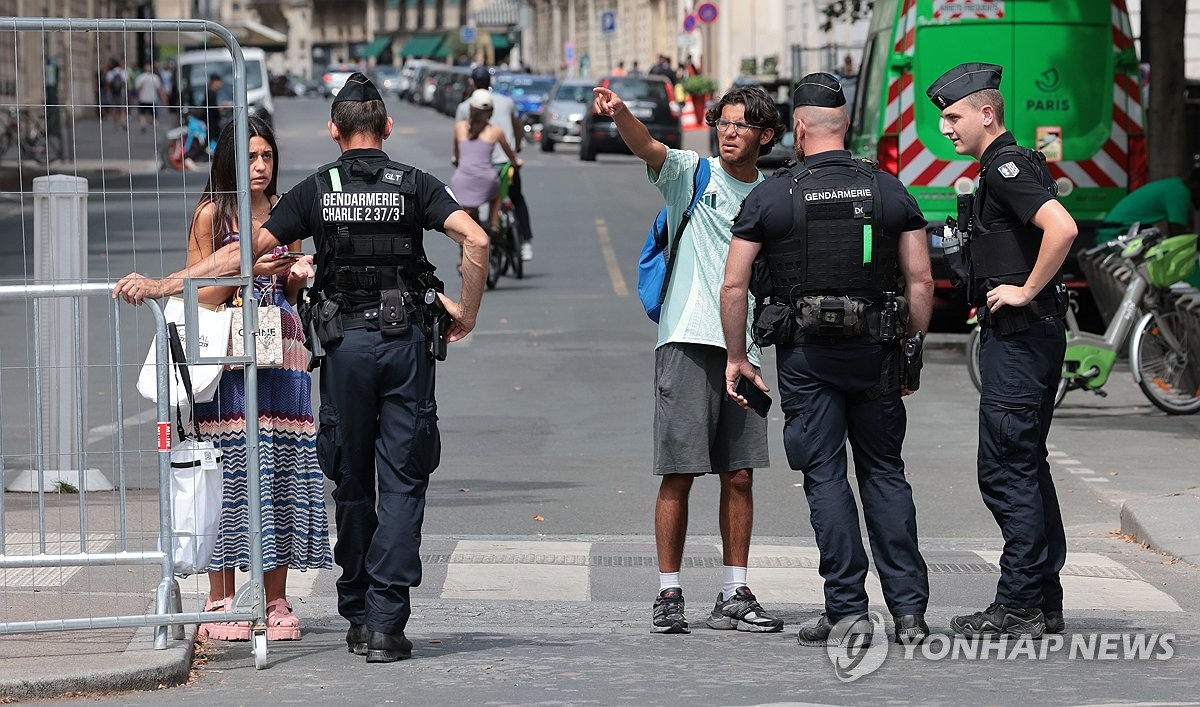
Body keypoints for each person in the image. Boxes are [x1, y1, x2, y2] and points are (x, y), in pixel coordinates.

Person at [113, 73, 489, 663]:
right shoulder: (416, 184)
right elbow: (477, 240)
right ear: (388, 128)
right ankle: (387, 622)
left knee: (353, 480)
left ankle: (359, 614)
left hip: (344, 351)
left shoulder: (320, 188)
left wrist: (164, 285)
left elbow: (242, 253)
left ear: (333, 130)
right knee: (403, 480)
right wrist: (464, 311)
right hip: (407, 347)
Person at [721, 72, 934, 647]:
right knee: (885, 474)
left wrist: (737, 357)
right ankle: (910, 614)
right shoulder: (888, 190)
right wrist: (908, 351)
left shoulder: (772, 195)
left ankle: (848, 611)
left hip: (807, 359)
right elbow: (920, 280)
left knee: (825, 478)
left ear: (796, 126)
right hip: (876, 354)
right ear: (844, 125)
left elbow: (735, 286)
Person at [592, 82, 785, 635]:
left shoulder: (771, 196)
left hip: (742, 349)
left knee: (740, 475)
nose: (728, 132)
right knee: (679, 472)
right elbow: (647, 147)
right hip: (685, 339)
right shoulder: (690, 176)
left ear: (765, 136)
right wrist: (622, 112)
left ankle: (734, 590)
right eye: (722, 122)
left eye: (741, 124)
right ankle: (669, 591)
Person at [927, 62, 1077, 638]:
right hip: (1026, 338)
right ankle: (1042, 601)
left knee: (1006, 468)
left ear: (986, 113)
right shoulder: (1002, 167)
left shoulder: (1007, 166)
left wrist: (1024, 289)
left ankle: (1017, 603)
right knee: (1026, 466)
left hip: (1021, 339)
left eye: (953, 116)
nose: (946, 128)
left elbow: (1061, 228)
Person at [185, 116, 332, 642]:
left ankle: (275, 599)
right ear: (228, 161)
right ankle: (219, 598)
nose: (261, 167)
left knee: (280, 470)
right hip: (227, 359)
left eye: (267, 156)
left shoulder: (285, 211)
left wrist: (293, 279)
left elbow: (290, 295)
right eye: (249, 157)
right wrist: (251, 273)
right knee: (228, 472)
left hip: (283, 353)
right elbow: (197, 295)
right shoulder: (211, 216)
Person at [456, 66, 535, 261]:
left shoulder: (464, 108)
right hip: (505, 164)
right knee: (516, 198)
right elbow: (517, 127)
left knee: (468, 207)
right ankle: (525, 242)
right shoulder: (507, 102)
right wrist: (516, 149)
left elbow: (461, 141)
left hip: (476, 168)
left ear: (472, 83)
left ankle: (466, 251)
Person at [452, 89, 520, 233]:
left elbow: (456, 155)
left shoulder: (459, 128)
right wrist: (515, 161)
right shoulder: (495, 131)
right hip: (486, 181)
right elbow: (510, 154)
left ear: (471, 109)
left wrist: (457, 161)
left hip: (461, 182)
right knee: (496, 196)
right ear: (490, 112)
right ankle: (494, 225)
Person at [1096, 177, 1196, 243]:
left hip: (1110, 232)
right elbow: (1178, 236)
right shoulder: (1179, 192)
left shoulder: (1174, 185)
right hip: (1116, 234)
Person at [134, 61, 166, 132]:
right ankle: (153, 126)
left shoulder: (141, 77)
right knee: (153, 114)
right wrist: (163, 99)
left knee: (142, 113)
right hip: (152, 98)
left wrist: (137, 97)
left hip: (143, 98)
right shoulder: (155, 78)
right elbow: (159, 89)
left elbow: (137, 89)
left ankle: (143, 124)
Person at [105, 59, 128, 128]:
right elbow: (126, 83)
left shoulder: (110, 73)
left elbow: (108, 84)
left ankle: (115, 124)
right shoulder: (123, 72)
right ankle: (122, 120)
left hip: (112, 93)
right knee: (122, 108)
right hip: (122, 93)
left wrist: (108, 92)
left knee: (113, 108)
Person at [204, 73, 225, 145]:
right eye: (219, 82)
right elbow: (213, 110)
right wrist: (222, 108)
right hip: (211, 124)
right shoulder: (211, 93)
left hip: (211, 124)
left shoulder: (211, 92)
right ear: (215, 82)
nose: (220, 84)